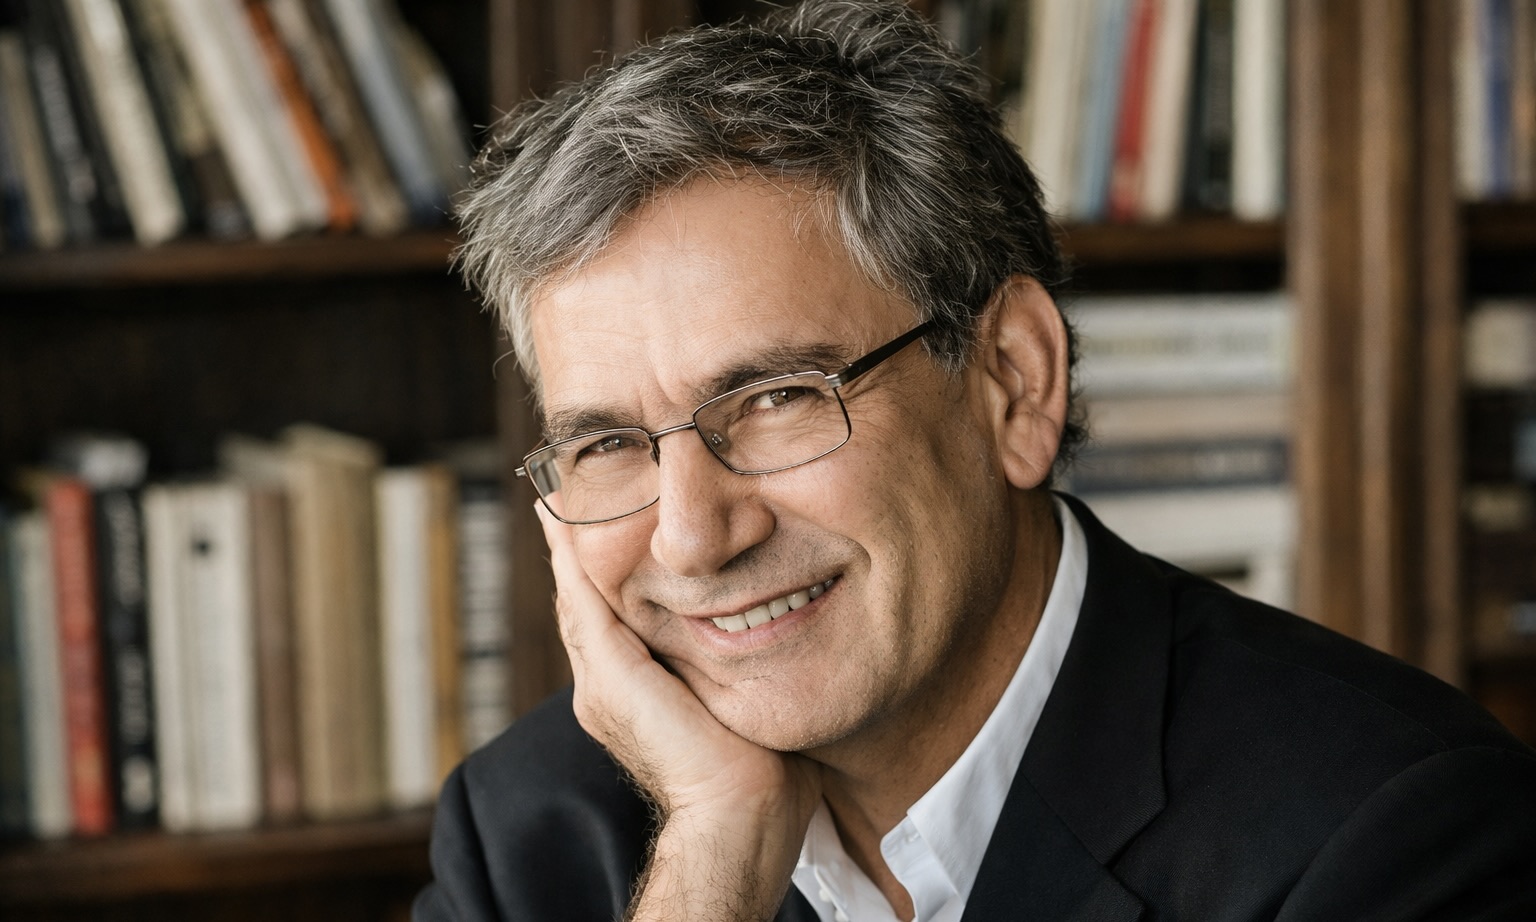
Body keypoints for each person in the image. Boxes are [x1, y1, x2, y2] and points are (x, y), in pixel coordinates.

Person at [414, 2, 1536, 919]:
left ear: (1014, 379)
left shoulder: (1385, 837)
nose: (694, 535)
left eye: (775, 400)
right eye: (607, 444)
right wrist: (711, 849)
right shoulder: (529, 837)